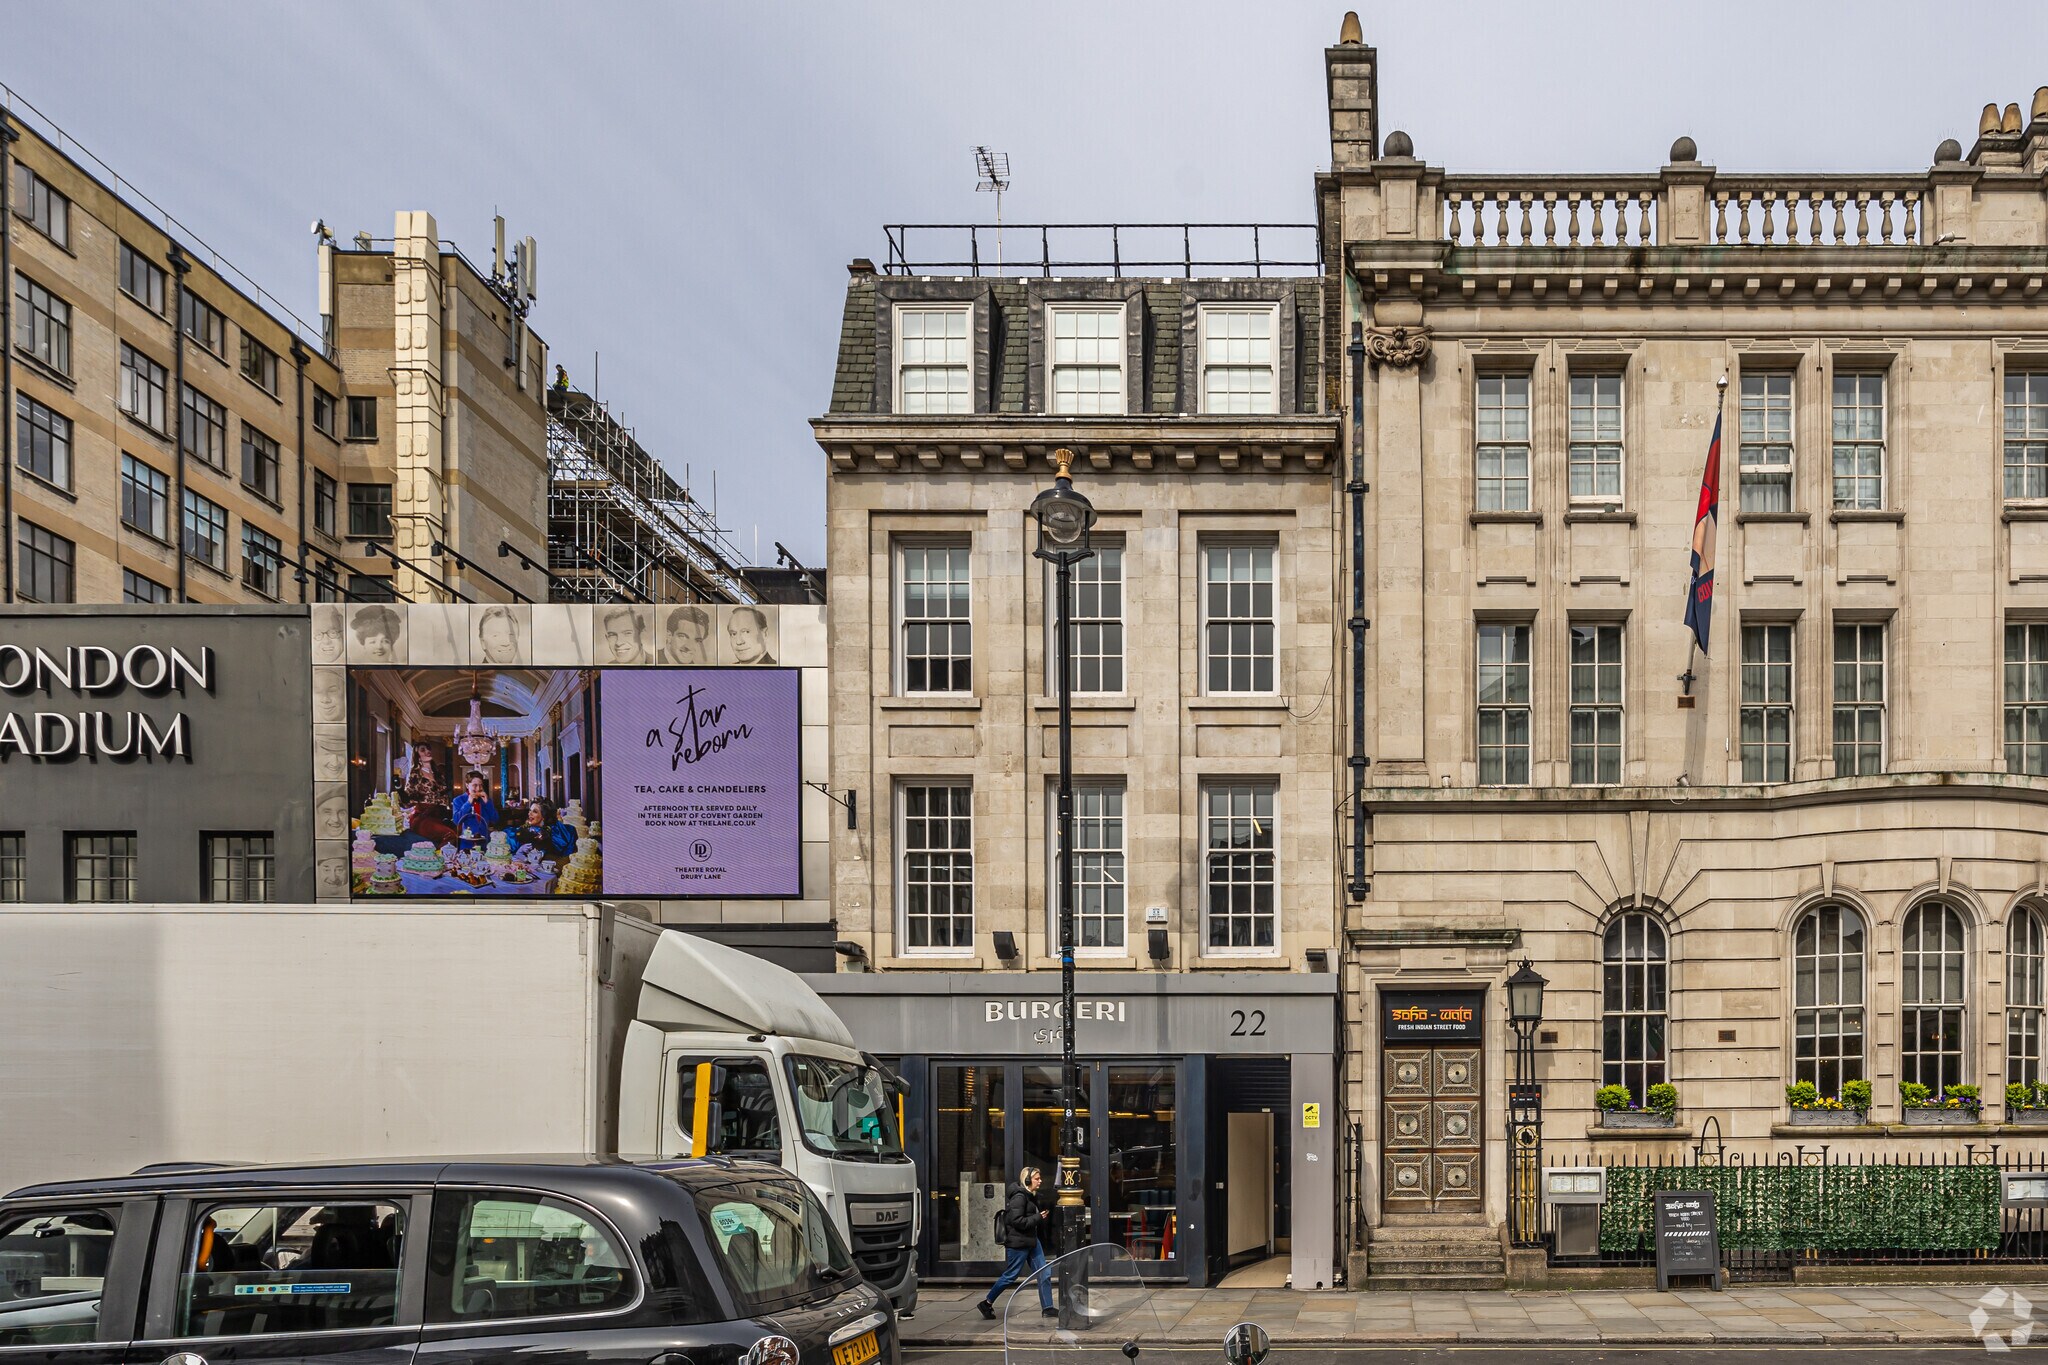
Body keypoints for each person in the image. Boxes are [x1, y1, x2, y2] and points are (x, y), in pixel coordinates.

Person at [976, 1166, 1055, 1320]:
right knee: (1011, 1275)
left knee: (1044, 1272)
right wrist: (1038, 1218)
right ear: (1027, 1180)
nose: (1040, 1181)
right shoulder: (1019, 1197)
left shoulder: (1029, 1195)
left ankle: (1048, 1308)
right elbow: (1017, 1221)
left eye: (1040, 1178)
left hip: (1031, 1240)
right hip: (1018, 1242)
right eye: (1037, 1179)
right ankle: (987, 1303)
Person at [510, 798, 576, 859]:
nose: (529, 813)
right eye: (530, 810)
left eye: (535, 811)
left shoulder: (560, 833)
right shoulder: (523, 830)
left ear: (544, 816)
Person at [450, 770, 499, 843]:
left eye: (480, 785)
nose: (478, 788)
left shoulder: (487, 800)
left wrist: (487, 803)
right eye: (475, 785)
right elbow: (456, 821)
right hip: (467, 843)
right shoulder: (458, 800)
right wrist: (468, 803)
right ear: (467, 785)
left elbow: (495, 820)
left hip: (485, 843)